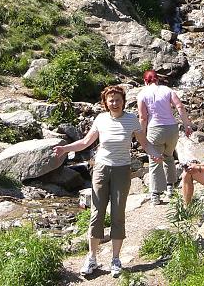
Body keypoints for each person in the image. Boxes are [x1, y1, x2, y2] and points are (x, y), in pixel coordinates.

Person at [54, 85, 161, 278]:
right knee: (97, 213)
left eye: (118, 99)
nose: (115, 103)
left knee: (118, 213)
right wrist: (66, 149)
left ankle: (116, 259)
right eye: (111, 100)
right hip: (101, 169)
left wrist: (155, 154)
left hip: (122, 170)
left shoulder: (131, 120)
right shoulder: (101, 119)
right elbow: (86, 142)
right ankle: (92, 258)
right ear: (105, 103)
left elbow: (144, 143)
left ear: (123, 101)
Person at [137, 70, 194, 205]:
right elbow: (180, 106)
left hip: (155, 129)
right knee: (169, 157)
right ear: (157, 80)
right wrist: (187, 125)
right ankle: (171, 188)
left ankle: (156, 194)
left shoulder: (142, 94)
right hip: (172, 128)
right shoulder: (167, 90)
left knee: (154, 160)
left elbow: (143, 117)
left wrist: (141, 135)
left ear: (145, 81)